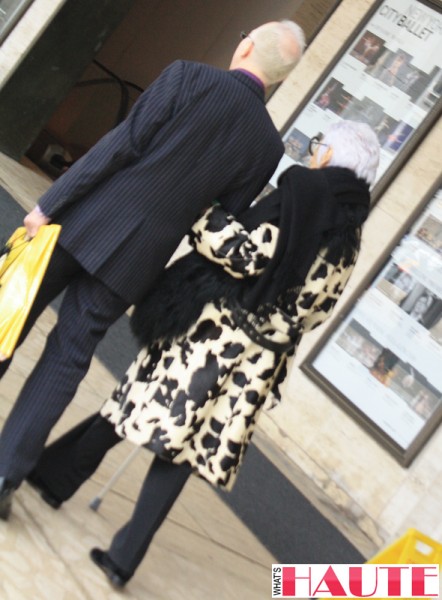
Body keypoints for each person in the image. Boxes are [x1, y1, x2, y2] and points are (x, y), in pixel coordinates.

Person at [25, 120, 380, 587]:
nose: (315, 154)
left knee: (136, 401)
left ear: (332, 155)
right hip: (260, 361)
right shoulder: (351, 234)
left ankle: (53, 479)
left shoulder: (305, 197)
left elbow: (251, 255)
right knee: (187, 448)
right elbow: (319, 308)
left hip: (217, 336)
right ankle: (120, 555)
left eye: (321, 146)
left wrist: (207, 216)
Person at [0, 20, 306, 515]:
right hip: (140, 258)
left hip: (85, 220)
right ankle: (5, 472)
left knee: (10, 312)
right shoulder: (267, 148)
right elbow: (214, 222)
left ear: (245, 44)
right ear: (280, 77)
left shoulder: (187, 76)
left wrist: (49, 204)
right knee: (69, 356)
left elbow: (121, 145)